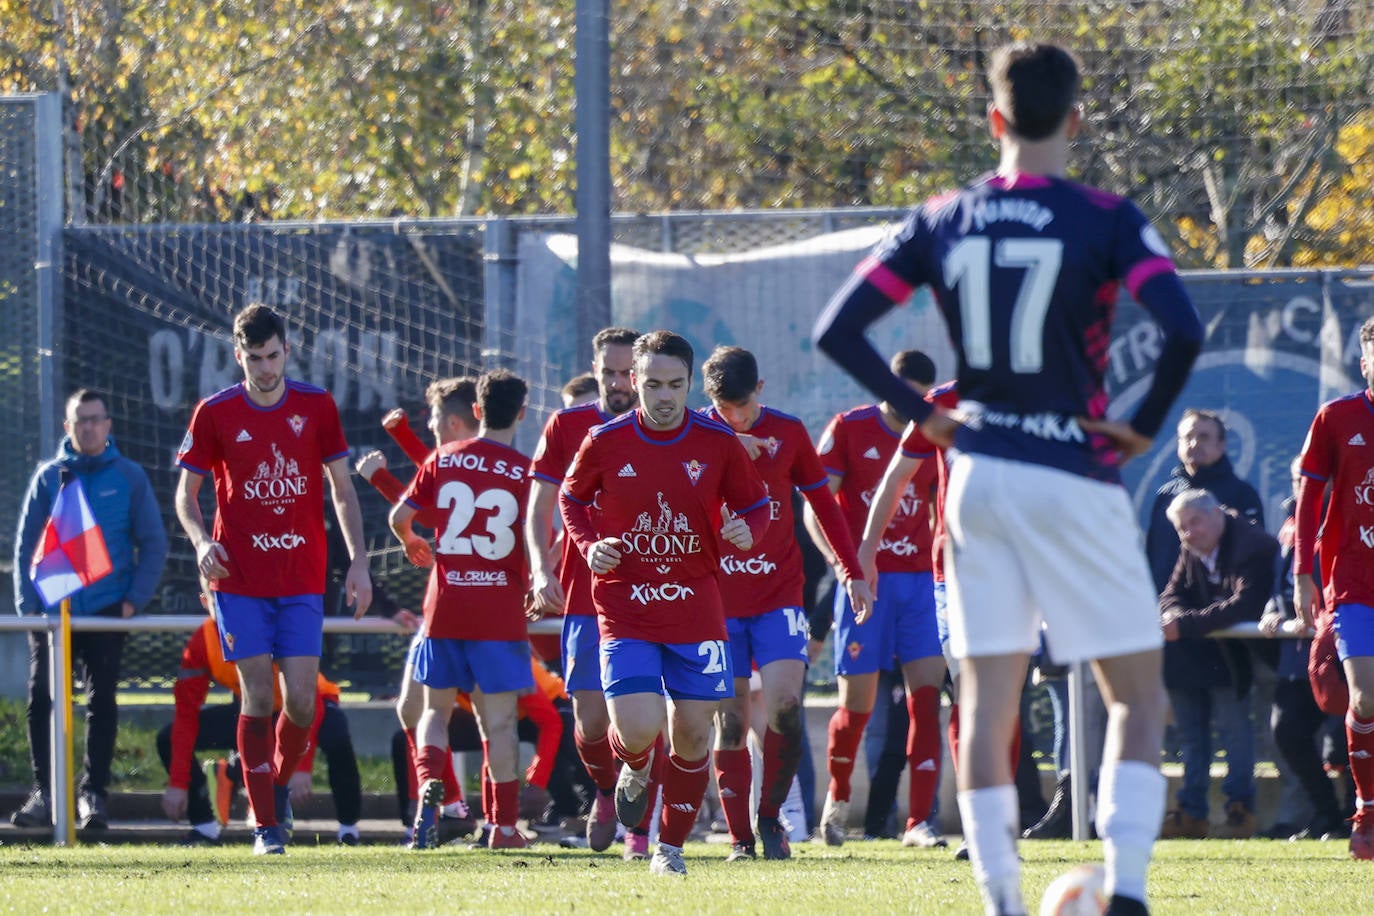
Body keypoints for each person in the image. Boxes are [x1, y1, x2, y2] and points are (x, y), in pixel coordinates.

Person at [814, 41, 1203, 915]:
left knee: (986, 702)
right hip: (1073, 467)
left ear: (993, 119)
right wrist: (1140, 428)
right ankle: (1129, 893)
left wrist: (924, 415)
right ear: (1075, 121)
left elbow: (838, 332)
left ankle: (1002, 901)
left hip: (979, 477)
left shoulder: (942, 217)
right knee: (1136, 696)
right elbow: (1181, 330)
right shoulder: (1107, 216)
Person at [559, 330, 772, 876]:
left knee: (695, 731)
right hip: (625, 606)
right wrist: (590, 546)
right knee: (638, 729)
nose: (663, 396)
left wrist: (748, 530)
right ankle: (630, 767)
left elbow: (756, 504)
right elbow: (571, 497)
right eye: (652, 383)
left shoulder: (716, 440)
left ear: (689, 385)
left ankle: (669, 849)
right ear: (633, 381)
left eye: (675, 384)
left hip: (695, 608)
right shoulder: (605, 441)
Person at [174, 303, 373, 855]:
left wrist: (358, 561)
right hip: (238, 580)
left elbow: (341, 489)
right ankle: (266, 825)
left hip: (302, 578)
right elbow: (185, 497)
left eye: (273, 355)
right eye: (254, 359)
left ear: (288, 349)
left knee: (304, 704)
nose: (265, 368)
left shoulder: (316, 405)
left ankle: (272, 784)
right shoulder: (215, 412)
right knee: (257, 695)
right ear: (239, 357)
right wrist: (201, 543)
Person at [699, 345, 871, 861]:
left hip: (778, 596)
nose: (735, 418)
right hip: (716, 603)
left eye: (743, 408)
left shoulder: (789, 433)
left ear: (761, 389)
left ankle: (770, 817)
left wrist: (851, 570)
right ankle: (738, 839)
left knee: (786, 708)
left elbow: (825, 504)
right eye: (724, 410)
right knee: (728, 721)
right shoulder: (695, 434)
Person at [804, 349, 947, 849]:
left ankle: (919, 822)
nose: (914, 404)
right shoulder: (849, 429)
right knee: (856, 706)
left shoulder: (934, 429)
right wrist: (846, 567)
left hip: (919, 585)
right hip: (868, 583)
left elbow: (938, 508)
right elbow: (817, 509)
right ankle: (838, 801)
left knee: (927, 701)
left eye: (922, 396)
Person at [10, 388, 169, 831]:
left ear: (109, 425)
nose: (88, 427)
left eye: (96, 419)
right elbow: (26, 547)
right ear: (67, 427)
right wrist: (30, 607)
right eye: (80, 420)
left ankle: (92, 795)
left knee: (102, 702)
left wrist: (133, 599)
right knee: (42, 699)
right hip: (53, 615)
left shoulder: (131, 476)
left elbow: (153, 543)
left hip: (105, 612)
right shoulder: (49, 477)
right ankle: (46, 793)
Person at [390, 368, 534, 850]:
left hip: (446, 606)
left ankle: (431, 786)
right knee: (500, 722)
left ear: (476, 411)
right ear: (521, 413)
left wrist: (411, 541)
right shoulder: (526, 472)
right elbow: (537, 542)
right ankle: (505, 828)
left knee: (433, 710)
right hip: (497, 612)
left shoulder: (443, 458)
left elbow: (400, 517)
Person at [525, 327, 654, 856]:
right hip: (584, 598)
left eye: (629, 373)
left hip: (651, 595)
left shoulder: (664, 424)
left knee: (645, 718)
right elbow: (538, 508)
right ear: (595, 370)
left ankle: (641, 830)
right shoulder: (568, 424)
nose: (620, 383)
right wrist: (540, 569)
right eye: (609, 373)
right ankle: (606, 791)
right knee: (591, 719)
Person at [357, 377, 480, 822]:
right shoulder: (459, 460)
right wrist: (402, 436)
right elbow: (435, 479)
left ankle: (499, 819)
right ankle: (452, 805)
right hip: (446, 602)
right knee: (413, 707)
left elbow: (426, 509)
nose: (430, 429)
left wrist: (381, 477)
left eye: (432, 422)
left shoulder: (484, 463)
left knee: (497, 717)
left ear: (453, 420)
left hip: (480, 605)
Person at [158, 615, 363, 845]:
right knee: (168, 737)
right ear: (206, 601)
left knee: (336, 734)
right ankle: (204, 827)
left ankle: (348, 829)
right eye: (219, 596)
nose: (229, 602)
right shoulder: (204, 639)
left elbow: (307, 700)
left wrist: (301, 766)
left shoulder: (270, 624)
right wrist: (178, 782)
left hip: (308, 705)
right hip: (254, 709)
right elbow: (186, 715)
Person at [1294, 314, 1374, 860]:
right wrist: (1302, 574)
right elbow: (1307, 504)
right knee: (1366, 694)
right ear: (1366, 360)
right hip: (1354, 581)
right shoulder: (1337, 417)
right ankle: (1367, 810)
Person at [1157, 489, 1277, 840]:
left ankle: (1242, 811)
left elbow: (1246, 605)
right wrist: (1176, 615)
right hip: (1204, 655)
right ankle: (1192, 814)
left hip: (1259, 656)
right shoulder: (1192, 547)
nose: (1189, 533)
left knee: (1237, 732)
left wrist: (1185, 624)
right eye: (1182, 527)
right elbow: (1170, 595)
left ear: (1217, 514)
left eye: (1194, 522)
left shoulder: (1252, 545)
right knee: (1192, 737)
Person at [1259, 456, 1350, 842]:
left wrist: (1325, 619)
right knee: (1288, 731)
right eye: (1299, 479)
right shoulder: (1290, 526)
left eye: (1312, 479)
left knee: (1345, 738)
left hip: (1345, 649)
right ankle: (1326, 814)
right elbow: (1280, 584)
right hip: (1298, 657)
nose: (1304, 486)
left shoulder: (1351, 516)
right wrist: (1272, 610)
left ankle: (1355, 818)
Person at [1146, 409, 1264, 593]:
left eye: (1204, 437)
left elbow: (1255, 555)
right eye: (1187, 437)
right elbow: (1154, 555)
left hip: (1221, 612)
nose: (1194, 443)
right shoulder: (1165, 496)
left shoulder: (1242, 494)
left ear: (1221, 445)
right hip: (1165, 609)